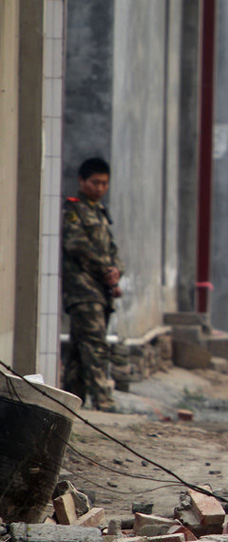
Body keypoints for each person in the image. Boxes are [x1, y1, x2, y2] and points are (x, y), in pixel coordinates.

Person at [61, 158, 123, 411]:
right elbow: (76, 244)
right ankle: (104, 400)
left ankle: (70, 401)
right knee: (96, 344)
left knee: (79, 348)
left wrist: (117, 271)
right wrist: (104, 269)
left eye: (104, 183)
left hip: (100, 289)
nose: (99, 188)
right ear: (82, 181)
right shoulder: (74, 210)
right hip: (82, 289)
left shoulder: (101, 212)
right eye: (95, 182)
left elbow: (112, 249)